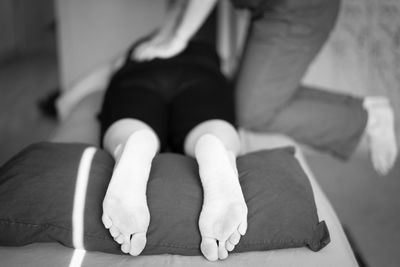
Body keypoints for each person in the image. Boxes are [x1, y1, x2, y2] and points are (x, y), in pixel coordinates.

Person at [132, 0, 398, 176]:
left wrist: (177, 39)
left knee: (252, 111)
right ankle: (367, 108)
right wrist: (164, 36)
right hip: (272, 7)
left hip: (301, 7)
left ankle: (363, 119)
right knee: (254, 90)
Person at [98, 19, 247, 263]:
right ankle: (213, 143)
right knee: (208, 127)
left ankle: (134, 142)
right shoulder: (206, 49)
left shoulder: (140, 47)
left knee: (130, 126)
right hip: (201, 73)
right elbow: (228, 72)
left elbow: (105, 73)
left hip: (139, 75)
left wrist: (64, 101)